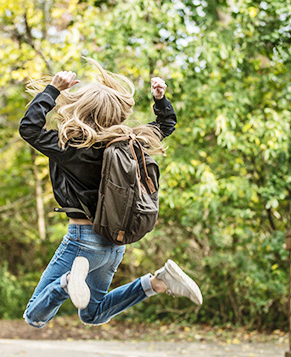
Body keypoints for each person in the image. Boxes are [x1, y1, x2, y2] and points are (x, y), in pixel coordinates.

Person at [19, 58, 202, 329]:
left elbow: (29, 129)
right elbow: (165, 126)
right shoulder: (131, 143)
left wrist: (53, 89)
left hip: (82, 242)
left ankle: (68, 282)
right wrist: (160, 100)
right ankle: (158, 282)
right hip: (114, 244)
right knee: (93, 314)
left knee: (34, 316)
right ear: (116, 113)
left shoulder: (69, 146)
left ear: (82, 108)